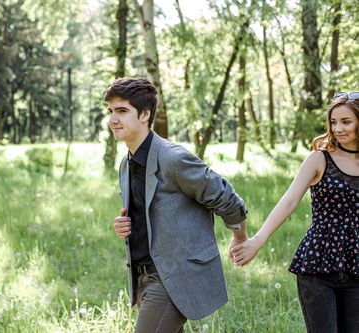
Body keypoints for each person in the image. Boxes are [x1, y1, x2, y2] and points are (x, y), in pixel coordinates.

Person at [106, 77, 249, 332]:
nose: (113, 119)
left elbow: (224, 195)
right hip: (143, 279)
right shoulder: (126, 164)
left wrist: (240, 236)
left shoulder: (173, 158)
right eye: (111, 111)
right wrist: (126, 224)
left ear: (145, 114)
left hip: (173, 278)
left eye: (122, 111)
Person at [230, 92, 359, 333]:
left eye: (346, 121)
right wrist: (257, 241)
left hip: (356, 264)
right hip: (317, 266)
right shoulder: (319, 159)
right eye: (333, 122)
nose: (338, 128)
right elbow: (289, 202)